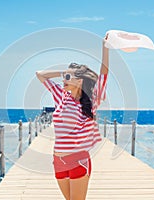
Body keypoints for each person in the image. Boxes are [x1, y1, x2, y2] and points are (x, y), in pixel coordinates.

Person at [36, 34, 109, 200]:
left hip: (79, 160)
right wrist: (64, 72)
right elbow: (40, 74)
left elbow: (104, 75)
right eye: (64, 77)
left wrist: (105, 48)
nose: (64, 80)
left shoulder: (92, 101)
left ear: (80, 81)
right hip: (58, 162)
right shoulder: (60, 96)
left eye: (68, 77)